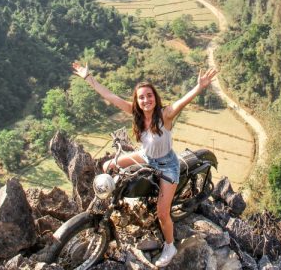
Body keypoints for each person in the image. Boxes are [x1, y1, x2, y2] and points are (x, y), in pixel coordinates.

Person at [71, 61, 218, 267]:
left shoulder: (164, 116)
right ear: (137, 100)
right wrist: (89, 78)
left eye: (149, 95)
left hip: (167, 165)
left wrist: (199, 87)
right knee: (107, 167)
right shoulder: (137, 114)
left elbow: (181, 102)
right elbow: (111, 97)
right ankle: (117, 201)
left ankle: (169, 245)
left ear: (155, 98)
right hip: (147, 157)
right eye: (141, 97)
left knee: (162, 213)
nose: (146, 100)